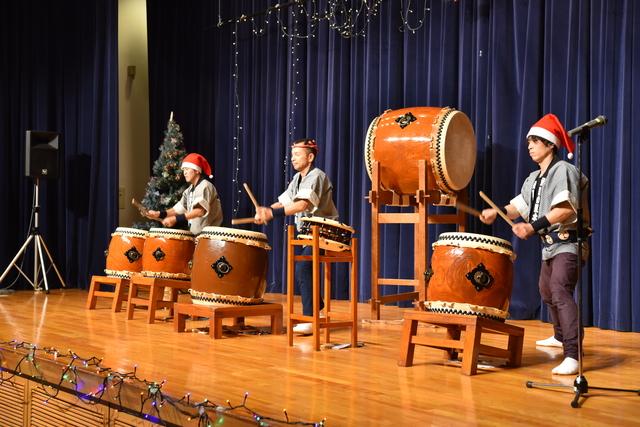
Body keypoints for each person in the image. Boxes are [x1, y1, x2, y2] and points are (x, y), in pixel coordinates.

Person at [480, 113, 590, 375]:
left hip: (568, 242)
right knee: (546, 291)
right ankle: (560, 335)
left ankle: (573, 354)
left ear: (550, 144)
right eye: (528, 142)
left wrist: (532, 227)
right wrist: (497, 213)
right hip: (549, 246)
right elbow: (518, 206)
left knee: (559, 289)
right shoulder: (533, 178)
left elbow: (564, 211)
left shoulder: (563, 170)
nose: (529, 146)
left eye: (535, 141)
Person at [254, 138, 339, 335]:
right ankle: (316, 309)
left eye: (297, 154)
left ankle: (311, 318)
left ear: (310, 157)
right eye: (292, 155)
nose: (292, 158)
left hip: (327, 231)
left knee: (303, 267)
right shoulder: (297, 179)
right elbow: (284, 202)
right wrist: (265, 210)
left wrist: (271, 213)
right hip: (310, 233)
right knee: (303, 268)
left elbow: (302, 205)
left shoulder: (316, 176)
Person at [148, 152, 223, 235]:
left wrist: (175, 219)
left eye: (187, 169)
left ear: (197, 171)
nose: (184, 173)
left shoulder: (205, 186)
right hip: (197, 236)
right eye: (184, 170)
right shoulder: (189, 190)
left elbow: (200, 211)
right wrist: (159, 214)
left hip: (209, 237)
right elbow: (178, 209)